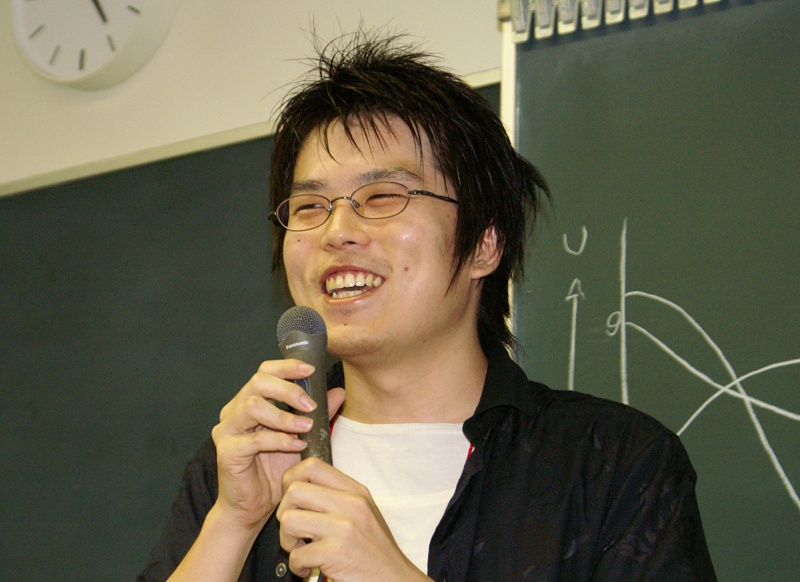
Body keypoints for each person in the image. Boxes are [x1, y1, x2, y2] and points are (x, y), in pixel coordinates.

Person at [139, 31, 716, 581]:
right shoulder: (244, 460)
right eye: (310, 207)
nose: (337, 231)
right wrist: (234, 521)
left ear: (484, 245)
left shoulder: (610, 465)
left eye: (381, 196)